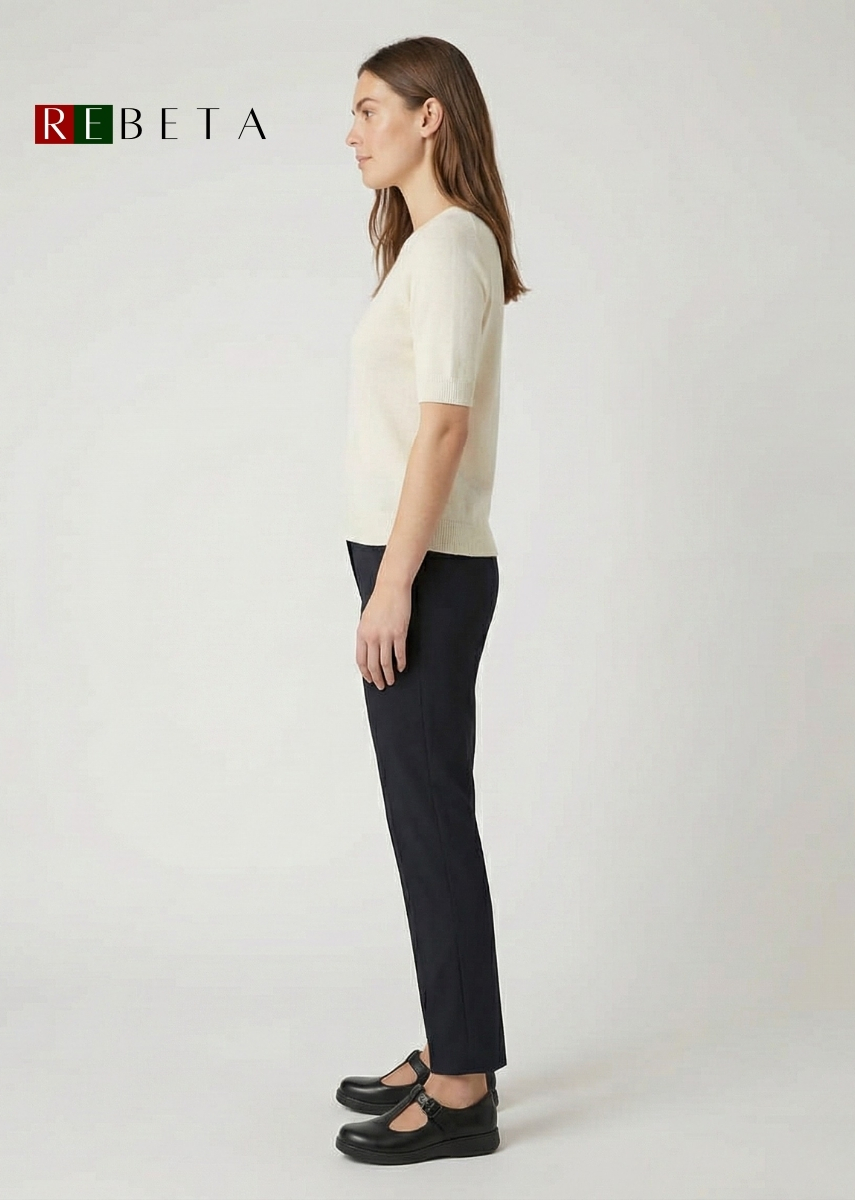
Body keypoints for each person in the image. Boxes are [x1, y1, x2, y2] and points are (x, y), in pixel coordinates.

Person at [335, 35, 528, 1166]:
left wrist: (394, 585)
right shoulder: (432, 246)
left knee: (432, 819)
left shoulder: (453, 244)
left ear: (430, 117)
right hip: (415, 562)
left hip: (427, 569)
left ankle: (462, 1089)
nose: (353, 132)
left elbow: (443, 427)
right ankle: (455, 1044)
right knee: (427, 815)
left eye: (370, 108)